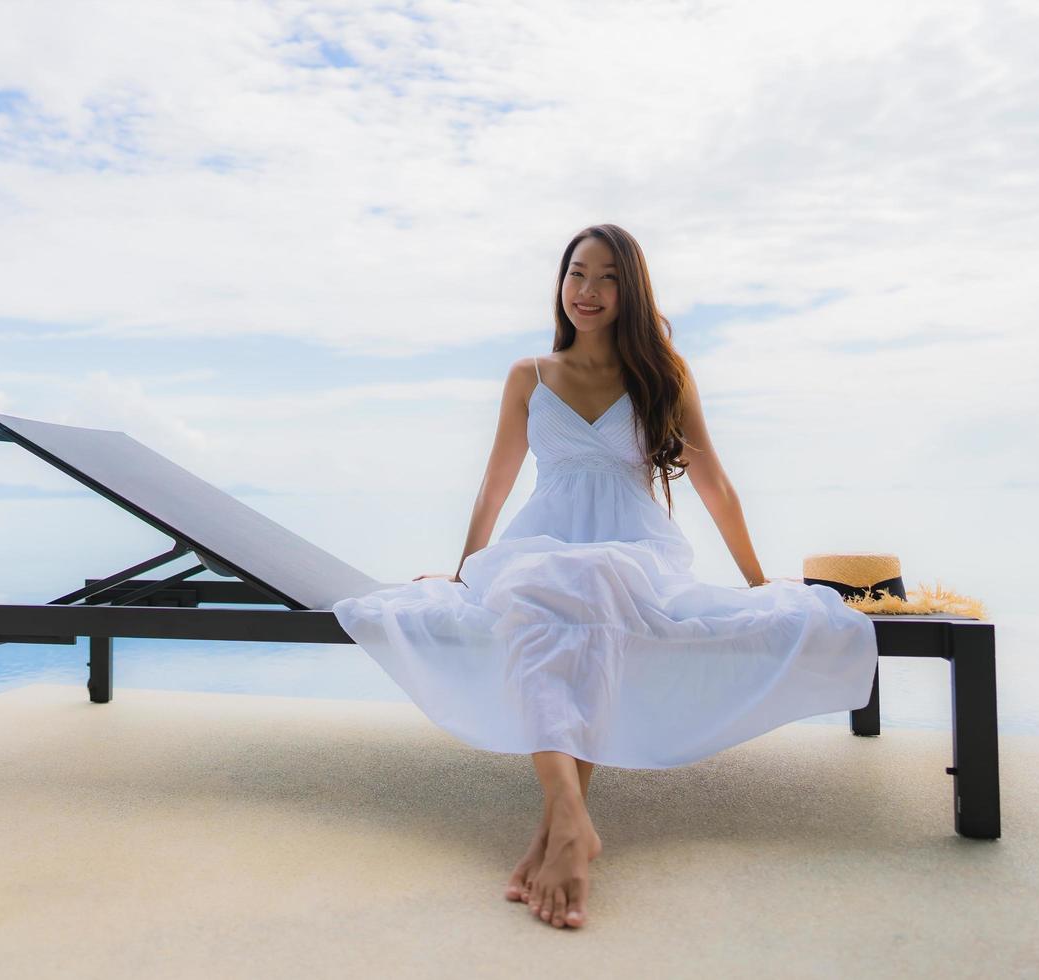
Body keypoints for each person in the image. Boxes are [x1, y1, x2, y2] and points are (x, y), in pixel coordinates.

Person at [330, 224, 879, 931]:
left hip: (634, 547)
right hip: (538, 543)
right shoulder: (529, 376)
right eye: (577, 275)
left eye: (608, 278)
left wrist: (758, 582)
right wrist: (467, 575)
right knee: (550, 591)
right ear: (561, 285)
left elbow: (716, 487)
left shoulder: (663, 379)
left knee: (592, 584)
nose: (588, 292)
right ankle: (569, 821)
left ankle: (558, 826)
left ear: (630, 290)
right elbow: (495, 487)